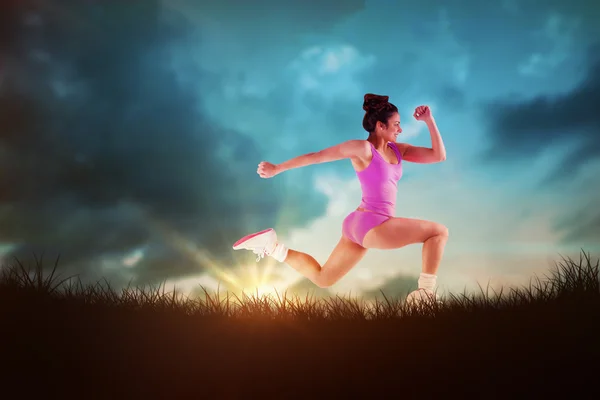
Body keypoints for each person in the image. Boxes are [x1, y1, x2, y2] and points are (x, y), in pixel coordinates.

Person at [233, 93, 448, 304]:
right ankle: (425, 295)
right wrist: (277, 168)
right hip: (374, 223)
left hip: (358, 223)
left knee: (323, 278)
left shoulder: (397, 150)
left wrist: (429, 120)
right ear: (381, 126)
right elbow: (317, 156)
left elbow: (438, 156)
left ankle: (271, 247)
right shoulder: (363, 148)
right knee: (438, 232)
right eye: (396, 125)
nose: (400, 129)